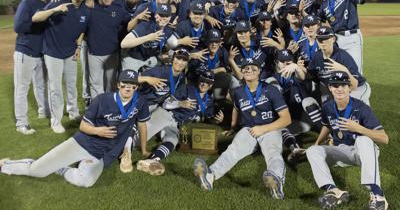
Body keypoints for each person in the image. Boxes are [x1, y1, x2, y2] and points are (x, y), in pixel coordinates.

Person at [0, 70, 149, 188]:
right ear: (118, 85)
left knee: (86, 181)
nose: (128, 88)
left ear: (137, 87)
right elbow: (83, 126)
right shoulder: (103, 99)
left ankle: (61, 168)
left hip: (101, 155)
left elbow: (142, 125)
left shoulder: (140, 102)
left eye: (133, 85)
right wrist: (98, 131)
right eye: (124, 84)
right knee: (37, 171)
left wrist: (144, 150)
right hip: (82, 143)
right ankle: (5, 165)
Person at [193, 58, 291, 200]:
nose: (249, 71)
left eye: (253, 68)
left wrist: (263, 129)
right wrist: (233, 126)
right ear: (241, 72)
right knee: (233, 150)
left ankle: (276, 181)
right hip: (249, 129)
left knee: (273, 153)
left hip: (269, 127)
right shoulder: (238, 92)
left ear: (259, 72)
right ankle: (210, 176)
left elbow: (286, 119)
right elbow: (236, 108)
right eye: (245, 68)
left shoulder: (270, 89)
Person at [306, 71, 389, 210]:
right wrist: (317, 144)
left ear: (349, 88)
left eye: (343, 85)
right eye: (335, 85)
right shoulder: (327, 107)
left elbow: (384, 138)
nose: (339, 89)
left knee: (363, 140)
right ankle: (333, 191)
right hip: (341, 150)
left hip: (363, 152)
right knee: (312, 150)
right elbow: (326, 126)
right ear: (330, 88)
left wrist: (358, 128)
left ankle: (378, 196)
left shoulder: (361, 107)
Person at [120, 70, 223, 175]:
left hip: (176, 124)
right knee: (139, 139)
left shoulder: (209, 100)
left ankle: (152, 160)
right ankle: (118, 146)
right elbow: (165, 103)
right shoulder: (187, 88)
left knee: (172, 140)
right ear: (199, 80)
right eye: (202, 80)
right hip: (166, 114)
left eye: (208, 83)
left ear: (211, 85)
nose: (204, 84)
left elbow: (209, 118)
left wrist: (217, 120)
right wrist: (179, 103)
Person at [32, 0, 91, 133]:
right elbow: (36, 18)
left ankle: (73, 113)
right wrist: (54, 10)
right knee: (55, 87)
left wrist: (78, 45)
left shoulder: (85, 11)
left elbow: (82, 30)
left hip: (70, 52)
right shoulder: (59, 1)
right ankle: (56, 120)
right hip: (52, 52)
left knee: (71, 84)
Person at [12, 0, 53, 134]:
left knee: (41, 85)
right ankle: (21, 123)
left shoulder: (48, 3)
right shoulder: (28, 2)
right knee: (22, 88)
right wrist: (38, 23)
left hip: (41, 53)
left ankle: (43, 111)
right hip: (25, 51)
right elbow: (18, 26)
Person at [317, 0, 378, 74]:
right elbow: (318, 22)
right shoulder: (325, 4)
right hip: (336, 40)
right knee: (338, 71)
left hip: (352, 38)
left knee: (355, 71)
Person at [86, 0, 131, 99]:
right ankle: (97, 108)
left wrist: (138, 18)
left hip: (112, 53)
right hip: (94, 53)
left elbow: (130, 23)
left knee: (111, 85)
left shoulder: (118, 9)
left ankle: (109, 107)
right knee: (95, 84)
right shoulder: (90, 6)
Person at [120, 4, 175, 71]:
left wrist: (164, 55)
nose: (163, 18)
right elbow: (123, 44)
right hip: (133, 57)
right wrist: (148, 37)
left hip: (149, 58)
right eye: (161, 15)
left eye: (166, 16)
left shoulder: (168, 30)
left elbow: (163, 47)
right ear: (156, 15)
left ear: (170, 18)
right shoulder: (146, 25)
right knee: (130, 79)